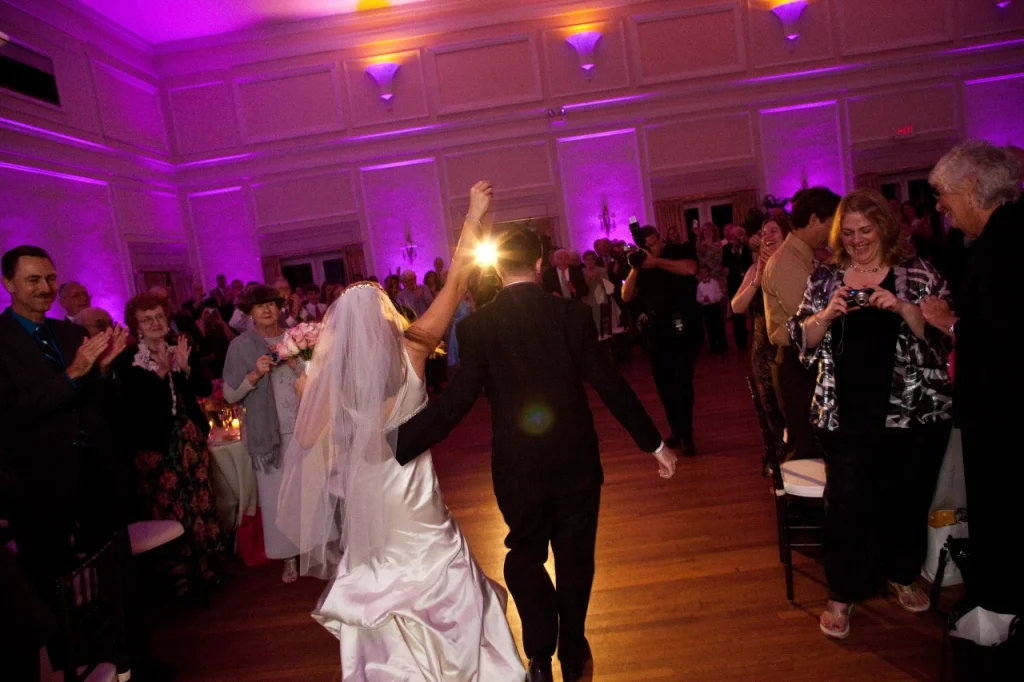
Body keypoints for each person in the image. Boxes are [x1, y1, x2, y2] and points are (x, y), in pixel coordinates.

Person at [394, 225, 677, 682]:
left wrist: (396, 445)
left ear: (497, 269)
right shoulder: (570, 315)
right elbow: (609, 383)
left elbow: (455, 403)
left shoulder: (478, 325)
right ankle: (571, 652)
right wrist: (654, 444)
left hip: (516, 467)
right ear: (542, 264)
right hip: (576, 462)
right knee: (575, 559)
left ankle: (540, 654)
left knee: (524, 553)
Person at [277, 182, 526, 681]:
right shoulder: (411, 352)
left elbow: (306, 442)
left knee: (378, 579)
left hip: (369, 500)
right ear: (386, 315)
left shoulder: (335, 382)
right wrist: (473, 215)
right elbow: (455, 284)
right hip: (411, 496)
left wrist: (307, 392)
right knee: (438, 566)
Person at [788, 190, 953, 639]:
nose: (858, 240)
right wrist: (826, 315)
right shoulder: (825, 276)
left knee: (905, 497)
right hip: (843, 414)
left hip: (913, 413)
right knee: (846, 505)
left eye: (867, 230)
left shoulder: (920, 274)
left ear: (884, 228)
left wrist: (903, 309)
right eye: (850, 232)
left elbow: (946, 341)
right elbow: (799, 338)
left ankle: (900, 573)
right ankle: (842, 594)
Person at [0, 245, 133, 679]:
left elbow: (96, 405)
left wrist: (106, 371)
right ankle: (74, 669)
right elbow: (11, 413)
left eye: (51, 279)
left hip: (95, 477)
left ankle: (125, 665)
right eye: (33, 280)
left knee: (113, 584)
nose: (46, 288)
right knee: (53, 591)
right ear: (8, 284)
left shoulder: (69, 334)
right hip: (39, 487)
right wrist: (73, 376)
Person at [921, 141, 1024, 617]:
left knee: (1001, 511)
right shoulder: (997, 239)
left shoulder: (1007, 243)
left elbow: (1007, 332)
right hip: (996, 407)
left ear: (970, 186)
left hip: (1005, 413)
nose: (939, 205)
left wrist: (949, 323)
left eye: (943, 193)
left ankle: (1001, 609)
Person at [115, 292, 225, 595]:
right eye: (147, 319)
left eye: (160, 317)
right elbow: (136, 413)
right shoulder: (128, 362)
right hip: (158, 449)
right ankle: (179, 574)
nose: (155, 323)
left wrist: (186, 368)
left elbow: (203, 388)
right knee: (172, 509)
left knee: (200, 503)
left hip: (191, 444)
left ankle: (205, 565)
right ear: (136, 326)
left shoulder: (177, 348)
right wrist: (162, 374)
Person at [222, 285, 303, 583]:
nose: (267, 310)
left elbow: (315, 377)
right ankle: (288, 557)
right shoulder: (240, 346)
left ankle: (316, 549)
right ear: (250, 313)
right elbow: (230, 395)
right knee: (276, 498)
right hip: (266, 435)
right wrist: (254, 374)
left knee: (309, 490)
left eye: (271, 304)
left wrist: (296, 362)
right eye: (259, 306)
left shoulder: (295, 336)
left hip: (303, 425)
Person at [763, 187, 841, 462]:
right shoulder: (786, 261)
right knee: (806, 448)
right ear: (813, 220)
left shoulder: (803, 255)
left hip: (806, 360)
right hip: (797, 363)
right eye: (832, 223)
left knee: (816, 443)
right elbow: (807, 320)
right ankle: (801, 504)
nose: (834, 232)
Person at [621, 225, 702, 455]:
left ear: (659, 238)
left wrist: (657, 262)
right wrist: (636, 268)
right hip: (657, 333)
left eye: (653, 243)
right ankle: (677, 430)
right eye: (646, 246)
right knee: (664, 386)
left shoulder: (677, 251)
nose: (651, 249)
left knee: (683, 383)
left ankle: (686, 434)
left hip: (684, 330)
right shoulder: (642, 265)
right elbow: (626, 296)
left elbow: (690, 269)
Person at [731, 217, 789, 470]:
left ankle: (798, 454)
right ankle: (778, 455)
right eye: (764, 232)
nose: (768, 236)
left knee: (792, 402)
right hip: (763, 345)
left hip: (790, 345)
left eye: (774, 230)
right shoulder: (755, 270)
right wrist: (757, 278)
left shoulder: (796, 265)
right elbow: (736, 307)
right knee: (770, 404)